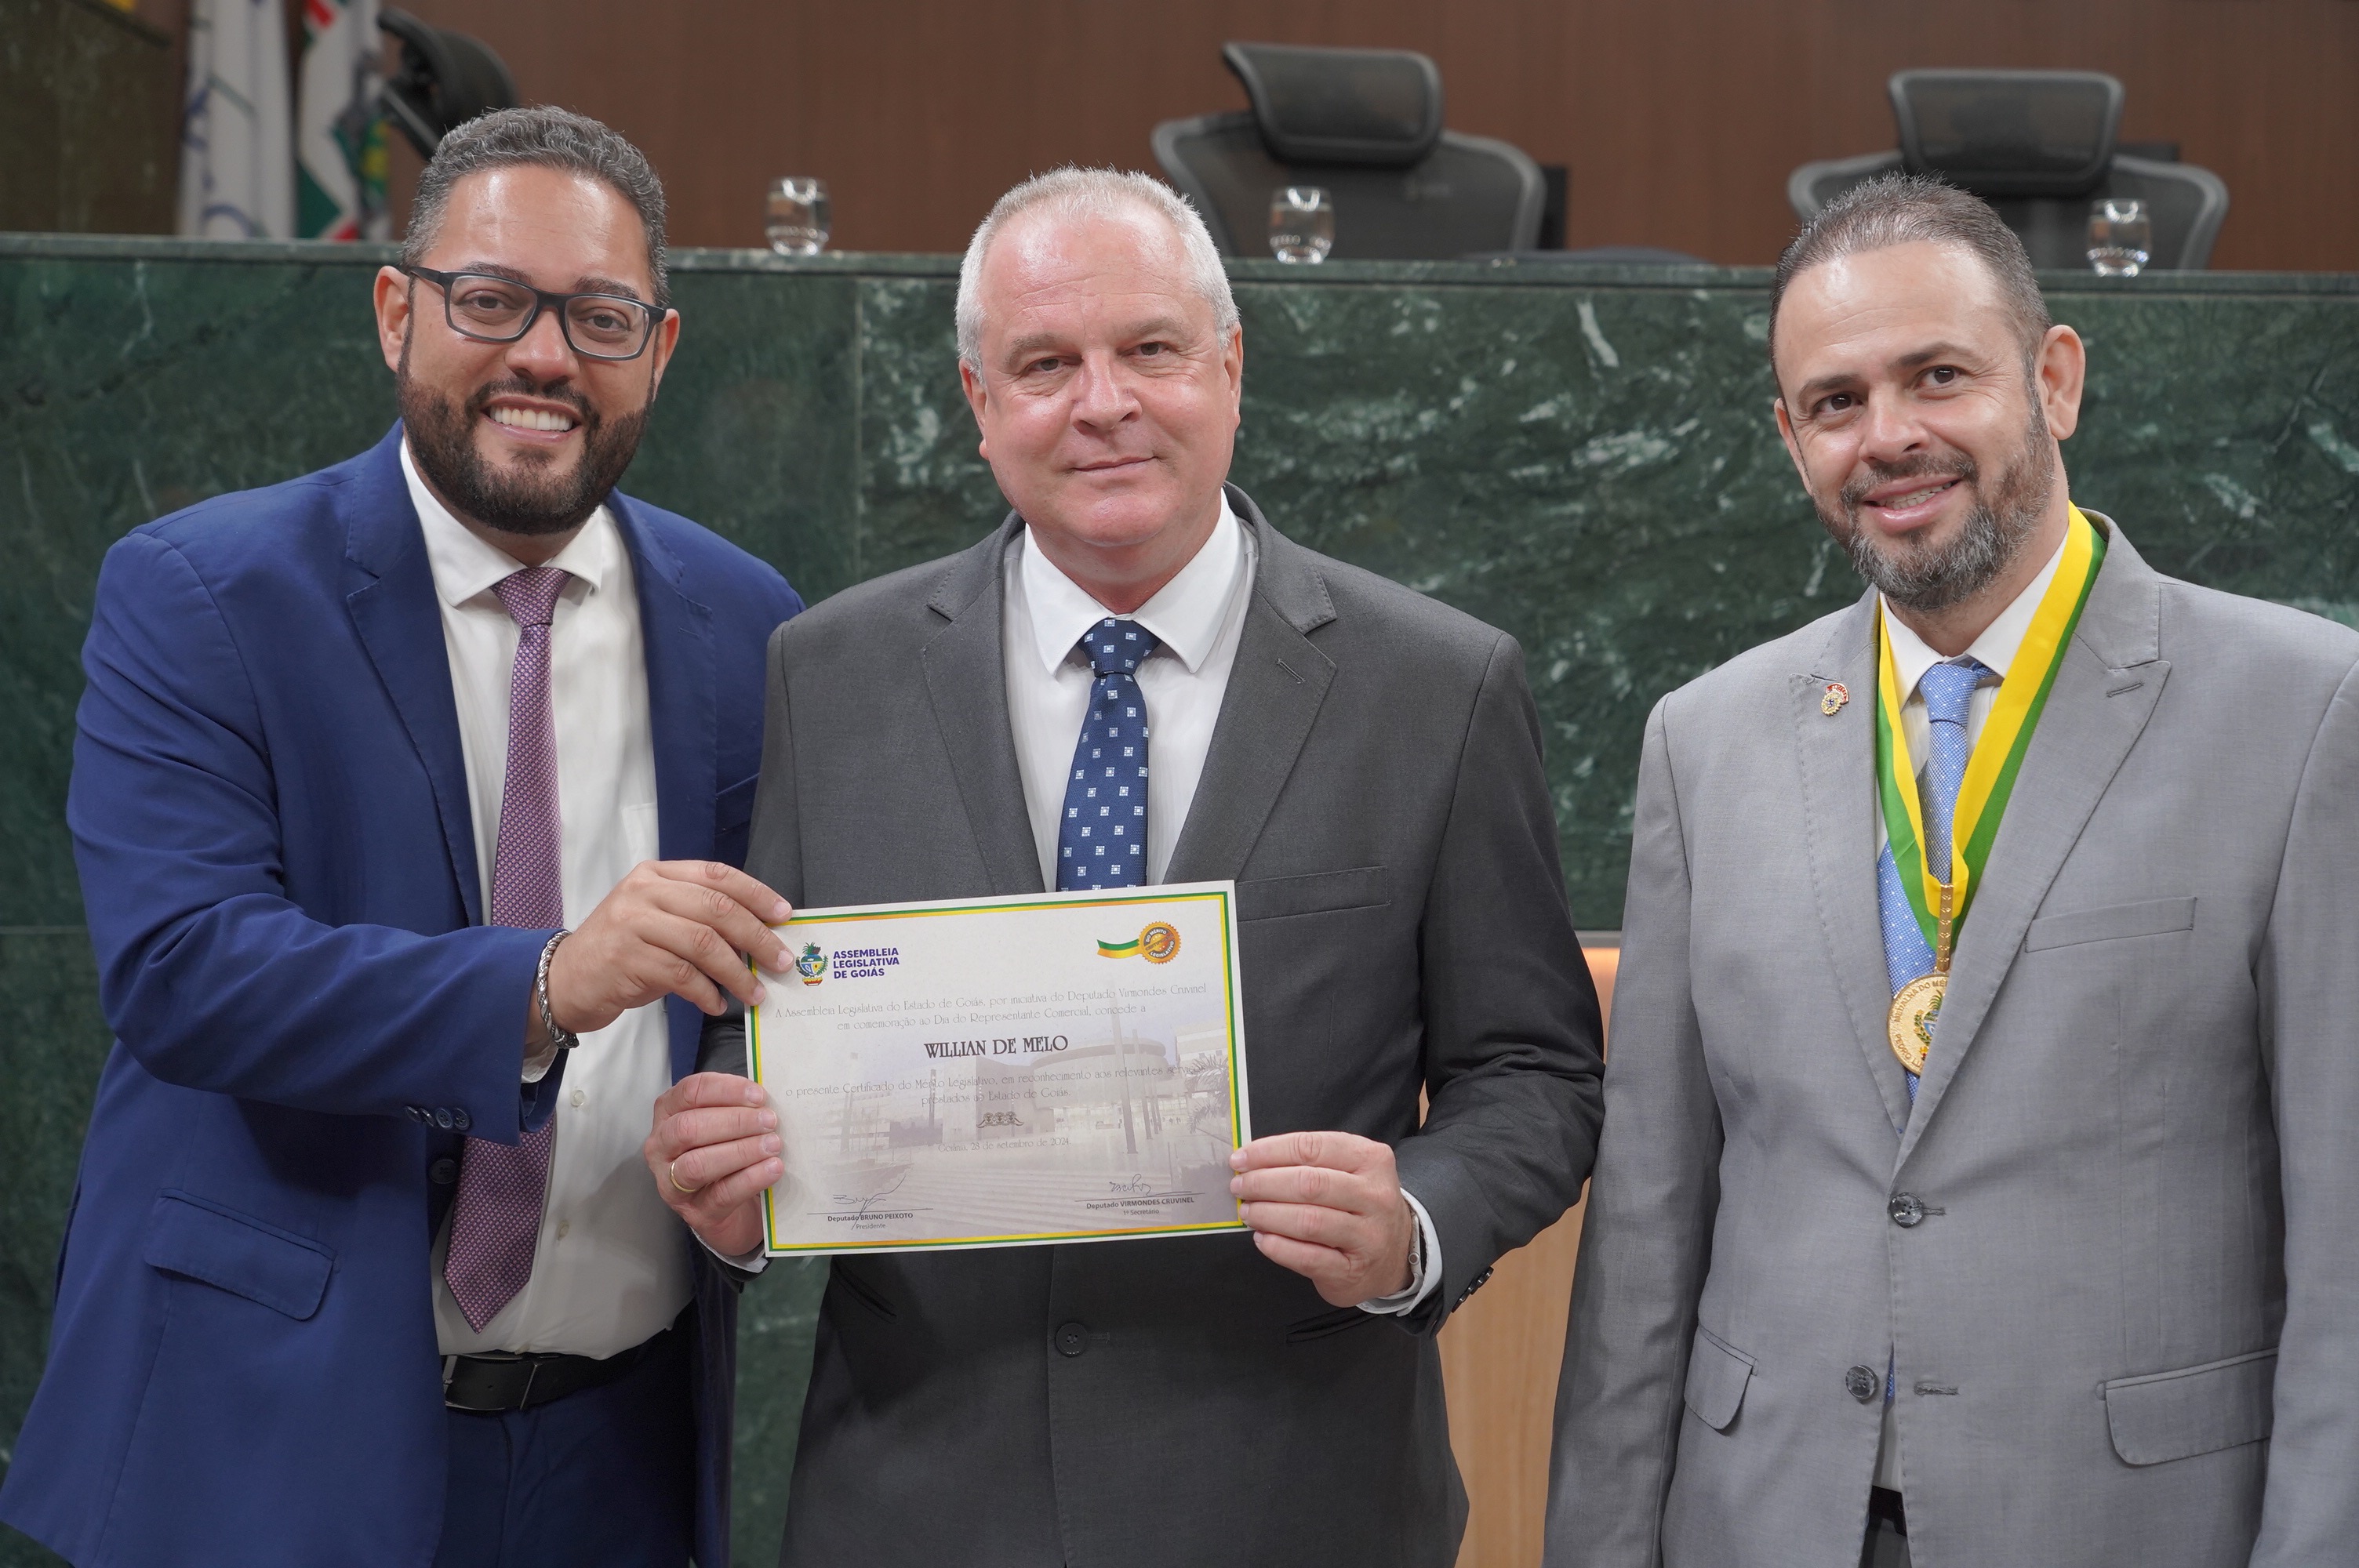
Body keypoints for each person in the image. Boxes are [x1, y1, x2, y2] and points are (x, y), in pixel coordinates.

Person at [643, 166, 1605, 1567]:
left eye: (1150, 348)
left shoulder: (1437, 688)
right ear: (978, 403)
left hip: (1293, 1501)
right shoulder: (830, 675)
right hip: (917, 1501)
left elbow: (1534, 1071)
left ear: (1230, 367)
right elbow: (765, 1024)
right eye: (1045, 364)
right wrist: (735, 1190)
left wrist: (1414, 1222)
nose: (1104, 403)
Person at [0, 108, 803, 1568]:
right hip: (268, 1443)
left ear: (661, 350)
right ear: (396, 312)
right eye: (490, 301)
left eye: (600, 317)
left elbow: (772, 985)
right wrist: (546, 985)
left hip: (622, 1456)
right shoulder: (203, 593)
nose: (544, 356)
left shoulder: (752, 625)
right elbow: (184, 970)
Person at [1544, 173, 2359, 1568]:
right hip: (1766, 1520)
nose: (1890, 437)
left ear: (2055, 380)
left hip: (2128, 1525)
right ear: (1791, 437)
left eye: (1938, 376)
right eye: (1836, 401)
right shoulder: (1702, 739)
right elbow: (1648, 1225)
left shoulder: (2305, 711)